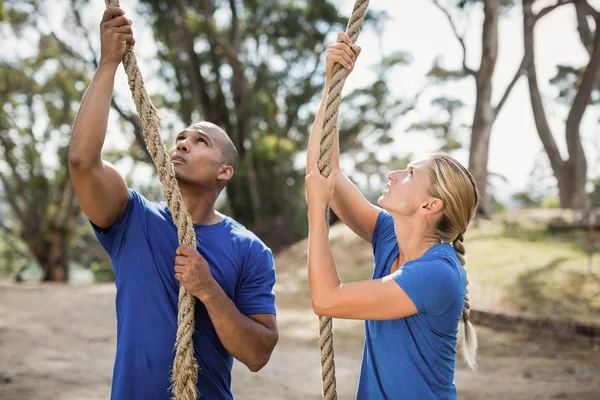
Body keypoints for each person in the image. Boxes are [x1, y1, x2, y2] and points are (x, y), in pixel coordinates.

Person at [68, 7, 278, 399]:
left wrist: (209, 290)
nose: (182, 142)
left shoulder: (249, 249)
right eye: (181, 136)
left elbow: (258, 353)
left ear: (224, 172)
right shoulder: (133, 220)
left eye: (201, 141)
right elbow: (83, 162)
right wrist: (108, 63)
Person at [304, 32, 478, 400]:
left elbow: (327, 299)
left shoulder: (437, 274)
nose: (393, 175)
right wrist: (331, 86)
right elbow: (325, 172)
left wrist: (315, 211)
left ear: (431, 206)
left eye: (410, 174)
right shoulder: (390, 236)